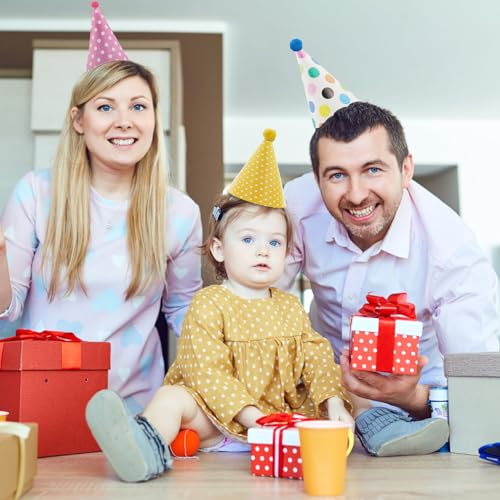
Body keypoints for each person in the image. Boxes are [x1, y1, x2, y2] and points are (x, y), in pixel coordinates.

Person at [84, 129, 353, 482]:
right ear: (218, 249)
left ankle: (374, 427)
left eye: (275, 242)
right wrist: (251, 417)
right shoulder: (209, 303)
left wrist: (333, 401)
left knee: (345, 394)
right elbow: (206, 371)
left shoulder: (289, 307)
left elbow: (316, 358)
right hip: (217, 421)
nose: (263, 250)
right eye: (248, 239)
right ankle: (144, 448)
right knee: (171, 398)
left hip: (280, 422)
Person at [279, 100, 500, 456]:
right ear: (317, 178)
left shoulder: (453, 254)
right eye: (336, 175)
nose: (356, 194)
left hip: (422, 405)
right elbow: (259, 300)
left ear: (406, 168)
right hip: (320, 392)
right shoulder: (297, 206)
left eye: (373, 170)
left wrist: (411, 398)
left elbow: (479, 394)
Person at [0, 58, 202, 413]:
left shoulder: (180, 212)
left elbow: (184, 309)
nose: (124, 121)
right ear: (79, 120)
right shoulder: (35, 193)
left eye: (138, 106)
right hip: (43, 403)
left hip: (136, 411)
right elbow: (7, 308)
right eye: (105, 106)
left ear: (154, 118)